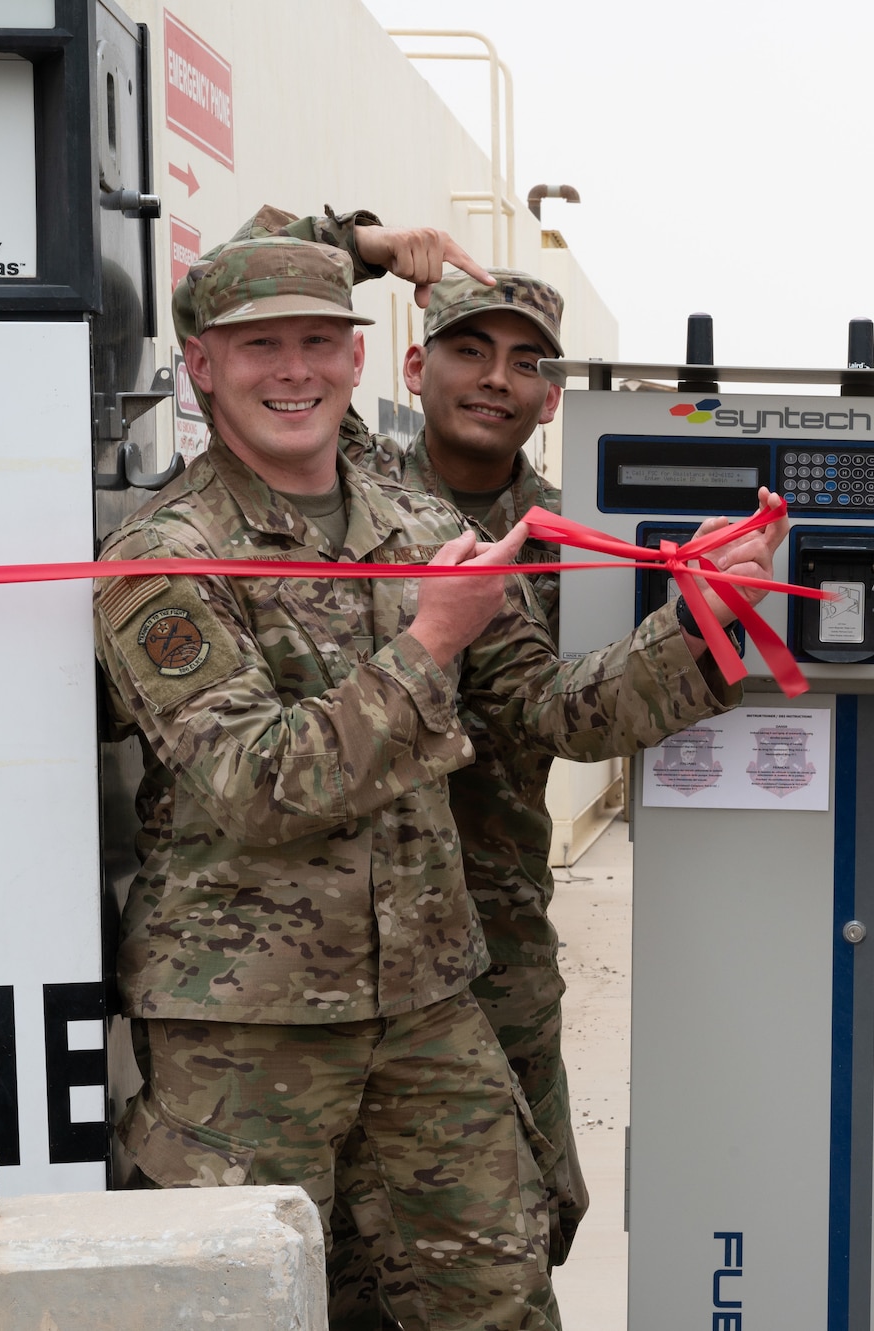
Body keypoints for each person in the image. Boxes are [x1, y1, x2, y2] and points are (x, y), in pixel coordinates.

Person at [94, 236, 785, 1331]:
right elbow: (254, 779)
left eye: (319, 342)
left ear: (357, 359)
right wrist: (426, 644)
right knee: (233, 1309)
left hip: (428, 1002)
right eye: (259, 345)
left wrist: (698, 625)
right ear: (200, 366)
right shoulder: (162, 555)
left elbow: (551, 711)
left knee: (497, 1296)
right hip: (246, 1030)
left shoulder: (420, 530)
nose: (294, 371)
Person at [341, 269, 590, 1270]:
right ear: (415, 364)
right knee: (343, 1238)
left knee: (517, 1220)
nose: (496, 380)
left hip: (492, 925)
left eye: (525, 362)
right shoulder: (350, 507)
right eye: (468, 350)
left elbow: (586, 704)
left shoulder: (574, 540)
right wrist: (368, 244)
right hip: (339, 936)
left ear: (552, 395)